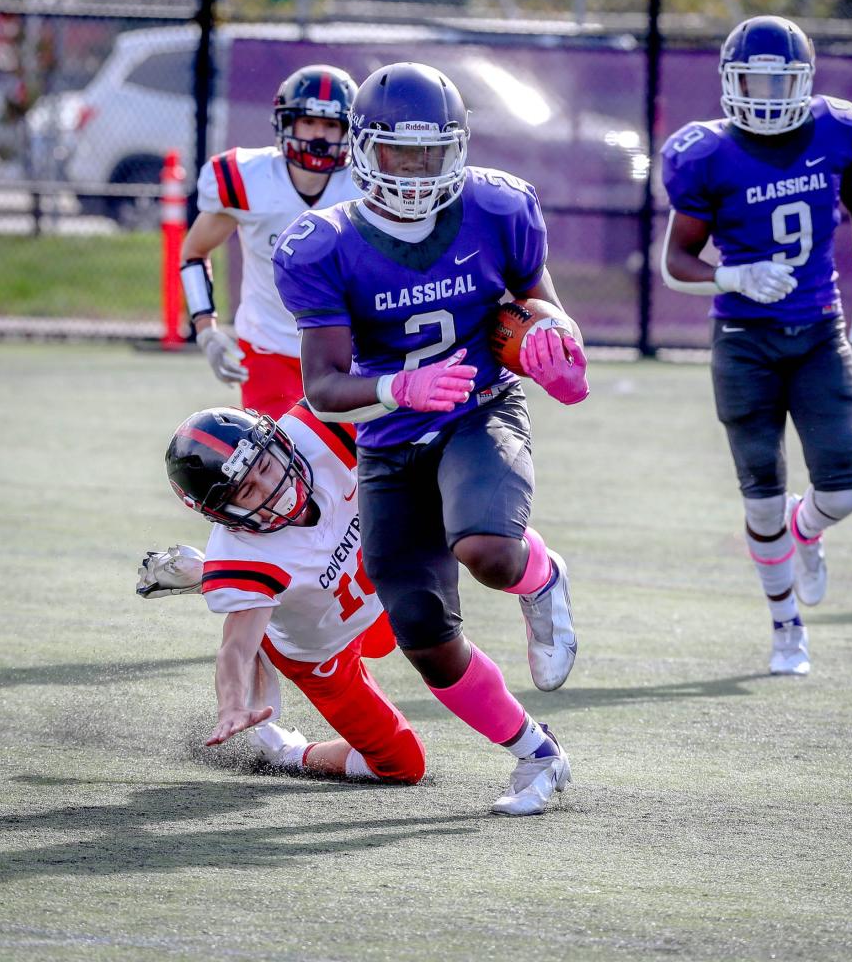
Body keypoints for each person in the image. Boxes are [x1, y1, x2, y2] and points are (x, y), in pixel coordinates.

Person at [271, 62, 590, 816]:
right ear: (363, 150)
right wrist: (394, 388)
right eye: (397, 154)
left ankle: (541, 578)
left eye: (429, 153)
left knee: (486, 549)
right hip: (389, 434)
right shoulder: (321, 244)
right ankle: (536, 756)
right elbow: (323, 386)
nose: (414, 172)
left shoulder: (497, 204)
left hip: (480, 408)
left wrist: (560, 337)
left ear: (457, 148)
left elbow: (538, 298)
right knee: (418, 624)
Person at [659, 16, 852, 676]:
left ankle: (807, 529)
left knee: (842, 494)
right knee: (760, 495)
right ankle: (787, 627)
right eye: (752, 79)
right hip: (743, 339)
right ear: (730, 82)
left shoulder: (837, 130)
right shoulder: (706, 153)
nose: (764, 93)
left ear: (804, 82)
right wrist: (730, 275)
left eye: (778, 80)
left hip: (819, 329)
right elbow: (676, 259)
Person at [137, 404, 425, 784]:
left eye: (265, 465)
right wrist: (233, 704)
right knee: (402, 765)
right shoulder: (245, 555)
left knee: (402, 628)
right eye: (247, 490)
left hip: (370, 587)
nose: (273, 486)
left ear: (279, 442)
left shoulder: (320, 434)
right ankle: (288, 752)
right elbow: (235, 649)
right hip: (317, 649)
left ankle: (206, 575)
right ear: (224, 513)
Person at [180, 65, 360, 418]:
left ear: (348, 131)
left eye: (330, 125)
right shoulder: (248, 179)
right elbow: (194, 252)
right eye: (308, 122)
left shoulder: (365, 186)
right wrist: (206, 330)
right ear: (286, 123)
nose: (318, 136)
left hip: (348, 355)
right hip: (269, 350)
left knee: (350, 470)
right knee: (276, 467)